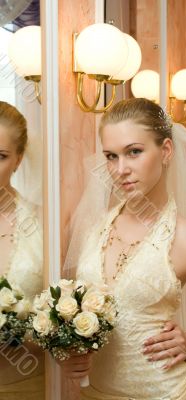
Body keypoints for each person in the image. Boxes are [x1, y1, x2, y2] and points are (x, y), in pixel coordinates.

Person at [62, 98, 186, 400]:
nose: (121, 169)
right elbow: (81, 315)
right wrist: (73, 349)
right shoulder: (92, 230)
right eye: (111, 156)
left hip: (170, 393)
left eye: (134, 152)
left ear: (166, 151)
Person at [0, 101, 44, 399]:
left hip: (27, 386)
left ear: (18, 160)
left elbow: (63, 323)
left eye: (0, 156)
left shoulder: (45, 224)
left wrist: (18, 340)